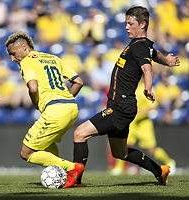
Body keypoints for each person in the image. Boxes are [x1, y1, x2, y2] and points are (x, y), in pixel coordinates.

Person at [72, 6, 180, 187]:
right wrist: (167, 61)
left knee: (79, 134)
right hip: (123, 106)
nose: (126, 27)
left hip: (120, 107)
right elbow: (155, 54)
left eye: (131, 24)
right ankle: (159, 170)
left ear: (143, 24)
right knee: (120, 154)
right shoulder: (142, 46)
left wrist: (148, 88)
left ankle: (75, 181)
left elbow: (147, 68)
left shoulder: (139, 46)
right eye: (126, 24)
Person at [5, 31, 84, 188]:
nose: (13, 59)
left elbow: (33, 88)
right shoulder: (53, 58)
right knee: (45, 144)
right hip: (72, 108)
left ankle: (72, 169)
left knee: (26, 153)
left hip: (55, 111)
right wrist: (66, 98)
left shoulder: (27, 61)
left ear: (23, 47)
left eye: (13, 54)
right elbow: (79, 81)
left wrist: (35, 102)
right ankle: (64, 176)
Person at [109, 80, 176, 176]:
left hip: (143, 124)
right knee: (124, 146)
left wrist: (138, 113)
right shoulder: (128, 88)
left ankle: (169, 162)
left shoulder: (145, 89)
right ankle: (119, 168)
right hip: (131, 123)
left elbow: (153, 106)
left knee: (151, 149)